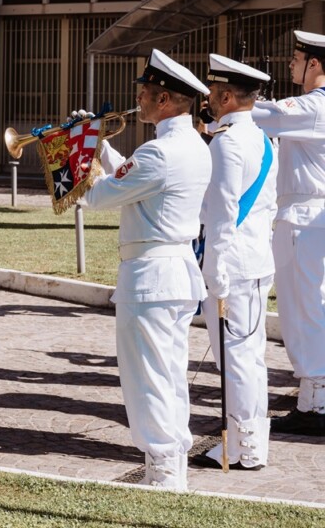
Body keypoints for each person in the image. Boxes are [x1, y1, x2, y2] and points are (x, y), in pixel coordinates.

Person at [81, 49, 211, 491]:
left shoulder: (159, 152)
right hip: (173, 272)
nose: (138, 101)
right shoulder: (190, 145)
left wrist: (76, 153)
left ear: (166, 100)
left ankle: (162, 472)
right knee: (170, 375)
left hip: (150, 277)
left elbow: (99, 196)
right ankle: (171, 461)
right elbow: (134, 178)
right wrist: (99, 145)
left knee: (148, 380)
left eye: (145, 94)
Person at [189, 54, 277, 471]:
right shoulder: (261, 137)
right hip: (256, 260)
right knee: (250, 358)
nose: (207, 96)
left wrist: (214, 274)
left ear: (225, 96)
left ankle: (240, 448)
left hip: (232, 267)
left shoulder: (226, 143)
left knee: (236, 360)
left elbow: (223, 216)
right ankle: (253, 442)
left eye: (211, 91)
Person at [250, 29, 325, 436]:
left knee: (305, 312)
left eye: (297, 59)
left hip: (305, 218)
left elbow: (266, 115)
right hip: (311, 217)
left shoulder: (314, 106)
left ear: (315, 63)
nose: (291, 65)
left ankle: (317, 407)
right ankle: (314, 400)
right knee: (310, 309)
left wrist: (232, 99)